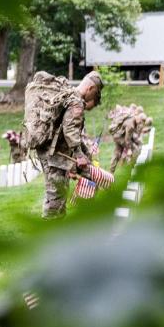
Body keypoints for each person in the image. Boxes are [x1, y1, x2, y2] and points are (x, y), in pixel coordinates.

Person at [25, 70, 103, 218]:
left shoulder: (68, 96)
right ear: (90, 88)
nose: (92, 99)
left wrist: (85, 155)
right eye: (96, 94)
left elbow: (68, 132)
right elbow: (71, 131)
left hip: (54, 155)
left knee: (59, 197)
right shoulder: (76, 102)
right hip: (55, 158)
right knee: (55, 199)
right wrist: (80, 156)